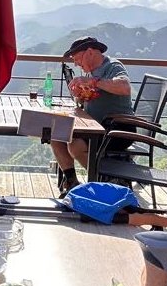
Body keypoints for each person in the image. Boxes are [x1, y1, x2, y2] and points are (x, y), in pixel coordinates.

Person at [53, 36, 133, 196]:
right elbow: (92, 100)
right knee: (56, 134)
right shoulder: (90, 73)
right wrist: (80, 95)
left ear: (89, 52)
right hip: (96, 127)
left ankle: (105, 182)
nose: (75, 64)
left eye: (77, 59)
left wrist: (94, 83)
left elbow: (125, 87)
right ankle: (72, 182)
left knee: (75, 144)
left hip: (117, 129)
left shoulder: (112, 66)